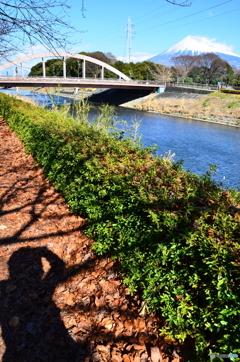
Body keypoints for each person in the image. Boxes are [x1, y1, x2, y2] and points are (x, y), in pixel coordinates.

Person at [0, 247, 88, 362]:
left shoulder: (3, 286)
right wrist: (45, 252)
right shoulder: (4, 286)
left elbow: (59, 267)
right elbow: (59, 267)